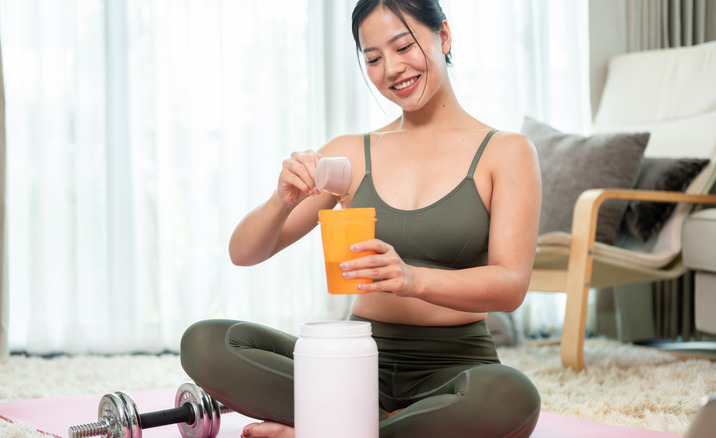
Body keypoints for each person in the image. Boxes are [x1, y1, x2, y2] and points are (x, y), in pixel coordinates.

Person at [180, 0, 542, 437]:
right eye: (373, 58)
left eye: (403, 47)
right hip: (350, 365)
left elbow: (510, 286)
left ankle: (325, 430)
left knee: (511, 397)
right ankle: (372, 427)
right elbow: (244, 253)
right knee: (206, 342)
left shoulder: (507, 153)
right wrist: (282, 199)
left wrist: (413, 279)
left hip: (455, 367)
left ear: (443, 36)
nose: (391, 69)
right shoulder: (351, 153)